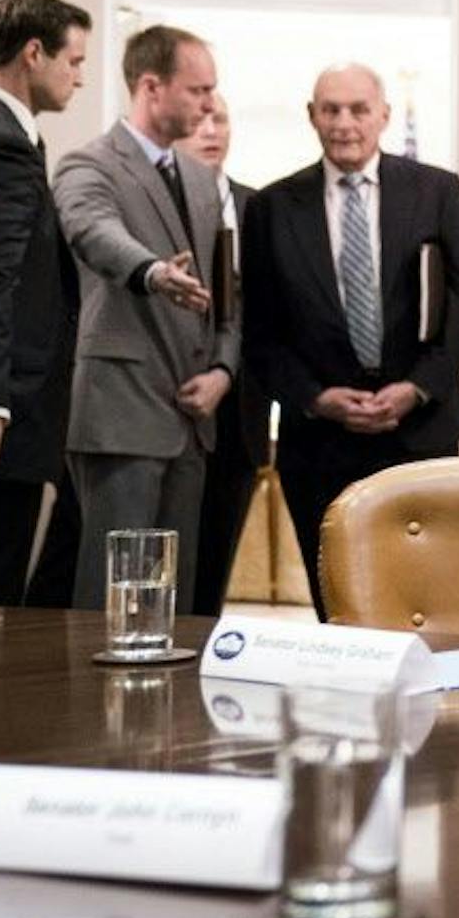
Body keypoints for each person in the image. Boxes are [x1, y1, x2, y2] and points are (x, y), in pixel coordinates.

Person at [241, 64, 459, 620]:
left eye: (358, 109)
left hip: (420, 431)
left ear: (383, 116)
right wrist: (315, 397)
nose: (344, 123)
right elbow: (260, 333)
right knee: (338, 603)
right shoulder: (273, 207)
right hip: (319, 441)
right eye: (330, 110)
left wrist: (418, 387)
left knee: (426, 598)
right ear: (311, 116)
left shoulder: (437, 192)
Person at [53, 24, 235, 614]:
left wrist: (224, 372)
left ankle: (166, 711)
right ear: (151, 87)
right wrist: (153, 271)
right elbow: (91, 230)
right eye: (198, 90)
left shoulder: (204, 181)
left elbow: (227, 296)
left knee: (171, 606)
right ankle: (87, 710)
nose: (209, 105)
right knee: (109, 601)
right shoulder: (90, 164)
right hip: (121, 414)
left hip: (190, 422)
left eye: (213, 91)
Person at [0, 0, 91, 604]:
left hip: (16, 404)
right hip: (5, 412)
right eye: (74, 61)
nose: (79, 78)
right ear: (34, 53)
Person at [174, 97, 271, 616]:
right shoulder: (155, 200)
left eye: (222, 120)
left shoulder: (260, 207)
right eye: (199, 120)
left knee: (211, 574)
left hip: (239, 421)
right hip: (169, 409)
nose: (212, 131)